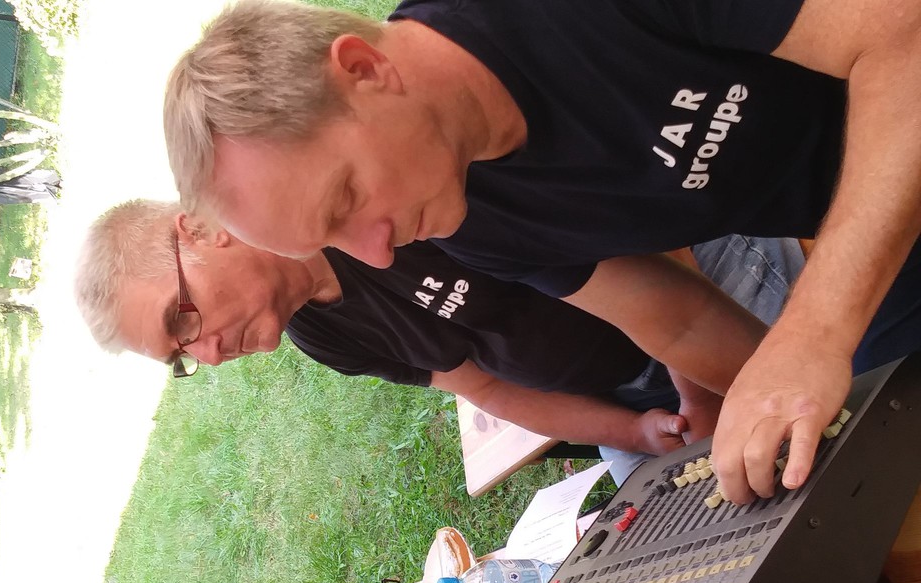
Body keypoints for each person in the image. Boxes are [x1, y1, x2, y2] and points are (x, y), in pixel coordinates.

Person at [162, 0, 921, 506]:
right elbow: (674, 318)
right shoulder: (464, 217)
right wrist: (784, 410)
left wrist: (813, 334)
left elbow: (902, 36)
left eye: (346, 199)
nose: (377, 255)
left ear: (364, 69)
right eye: (329, 240)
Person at [74, 201, 797, 483]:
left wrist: (698, 390)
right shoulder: (320, 335)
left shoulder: (370, 200)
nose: (206, 354)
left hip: (705, 285)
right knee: (684, 547)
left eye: (181, 319)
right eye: (181, 358)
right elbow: (487, 389)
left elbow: (634, 237)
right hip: (631, 395)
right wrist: (632, 431)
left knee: (822, 424)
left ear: (200, 231)